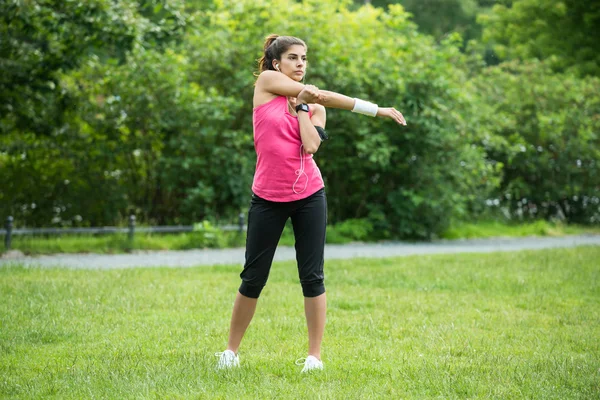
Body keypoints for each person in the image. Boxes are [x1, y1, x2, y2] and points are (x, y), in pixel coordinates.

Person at [216, 34, 406, 373]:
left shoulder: (314, 107)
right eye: (292, 57)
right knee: (253, 277)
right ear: (277, 64)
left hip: (308, 196)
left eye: (303, 58)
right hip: (267, 197)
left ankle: (314, 357)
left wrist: (304, 106)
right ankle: (230, 352)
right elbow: (328, 95)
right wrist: (373, 109)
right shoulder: (266, 84)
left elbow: (310, 146)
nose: (300, 63)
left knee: (312, 277)